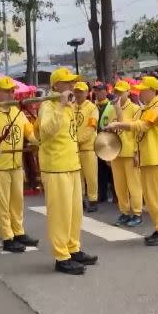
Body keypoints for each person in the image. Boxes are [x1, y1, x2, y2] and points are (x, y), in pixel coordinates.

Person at [38, 68, 98, 274]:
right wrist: (61, 105)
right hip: (56, 168)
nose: (72, 86)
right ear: (56, 86)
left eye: (73, 82)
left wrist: (66, 106)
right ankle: (61, 256)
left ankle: (73, 248)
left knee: (74, 212)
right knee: (60, 214)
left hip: (72, 165)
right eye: (68, 82)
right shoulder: (48, 105)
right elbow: (45, 131)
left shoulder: (71, 106)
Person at [105, 76, 158, 246]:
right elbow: (136, 128)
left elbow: (143, 125)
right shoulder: (146, 108)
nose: (141, 92)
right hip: (149, 157)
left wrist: (119, 126)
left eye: (143, 89)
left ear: (153, 90)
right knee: (151, 198)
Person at [0, 76, 40, 253]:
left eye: (12, 90)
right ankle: (7, 237)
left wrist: (39, 142)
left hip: (16, 164)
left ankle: (19, 232)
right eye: (7, 91)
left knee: (17, 201)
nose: (11, 93)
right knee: (2, 202)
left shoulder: (18, 112)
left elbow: (29, 133)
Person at [105, 80, 143, 227]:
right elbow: (110, 131)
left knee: (134, 184)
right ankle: (124, 212)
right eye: (117, 92)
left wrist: (136, 152)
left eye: (122, 92)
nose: (119, 95)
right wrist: (107, 152)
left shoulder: (135, 109)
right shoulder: (111, 109)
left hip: (129, 151)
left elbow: (137, 132)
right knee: (119, 186)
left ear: (128, 92)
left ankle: (137, 212)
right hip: (115, 152)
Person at [72, 81, 99, 213]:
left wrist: (78, 140)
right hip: (74, 149)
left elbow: (91, 127)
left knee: (91, 176)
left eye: (81, 92)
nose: (78, 94)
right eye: (76, 91)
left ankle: (93, 200)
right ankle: (80, 199)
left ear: (87, 93)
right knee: (78, 177)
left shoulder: (92, 108)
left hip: (88, 148)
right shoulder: (71, 107)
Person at [94, 83, 115, 203]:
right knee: (100, 169)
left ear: (106, 91)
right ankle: (102, 194)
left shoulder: (111, 105)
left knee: (111, 168)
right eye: (96, 91)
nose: (98, 93)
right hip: (97, 140)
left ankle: (115, 194)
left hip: (109, 140)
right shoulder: (93, 106)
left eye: (100, 90)